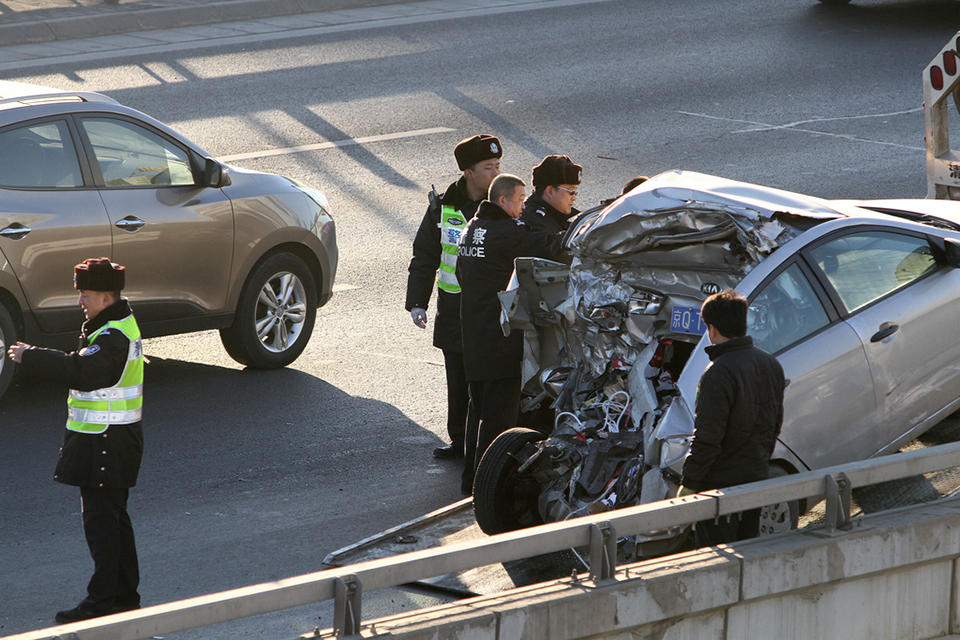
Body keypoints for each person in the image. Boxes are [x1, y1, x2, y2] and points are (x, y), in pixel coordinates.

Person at [7, 257, 144, 623]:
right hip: (113, 442)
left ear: (103, 296)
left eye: (84, 294)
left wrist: (30, 356)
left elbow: (82, 371)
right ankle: (125, 597)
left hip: (105, 444)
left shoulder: (112, 336)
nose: (80, 301)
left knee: (102, 526)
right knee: (115, 521)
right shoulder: (114, 325)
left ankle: (101, 603)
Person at [456, 174, 565, 494]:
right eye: (519, 199)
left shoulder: (472, 228)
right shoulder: (506, 232)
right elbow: (551, 246)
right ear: (502, 200)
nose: (523, 206)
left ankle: (469, 477)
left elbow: (463, 275)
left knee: (477, 410)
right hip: (500, 339)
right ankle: (488, 485)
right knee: (500, 419)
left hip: (473, 335)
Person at [406, 134, 502, 461]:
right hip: (453, 311)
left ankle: (487, 444)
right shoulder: (443, 207)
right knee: (458, 381)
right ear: (468, 172)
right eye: (488, 167)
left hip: (490, 313)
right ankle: (460, 441)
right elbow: (425, 256)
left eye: (497, 165)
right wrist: (417, 303)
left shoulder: (503, 203)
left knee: (487, 382)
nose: (495, 172)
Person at [679, 290, 786, 547]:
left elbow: (707, 436)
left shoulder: (718, 372)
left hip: (719, 489)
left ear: (712, 329)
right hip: (755, 479)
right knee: (746, 553)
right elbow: (774, 425)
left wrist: (689, 483)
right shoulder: (770, 364)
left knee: (714, 563)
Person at [520, 154, 583, 235]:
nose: (574, 198)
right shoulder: (535, 225)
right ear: (550, 191)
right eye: (571, 191)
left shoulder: (555, 215)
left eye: (575, 192)